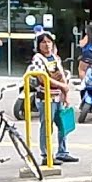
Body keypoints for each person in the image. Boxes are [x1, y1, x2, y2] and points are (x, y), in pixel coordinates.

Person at [29, 32, 78, 164]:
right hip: (46, 97)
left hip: (58, 97)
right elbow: (43, 79)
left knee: (63, 125)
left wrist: (66, 94)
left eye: (49, 42)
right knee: (47, 126)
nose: (47, 45)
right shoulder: (38, 59)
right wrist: (62, 85)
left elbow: (62, 75)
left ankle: (62, 151)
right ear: (38, 45)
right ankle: (46, 155)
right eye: (43, 42)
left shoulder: (54, 58)